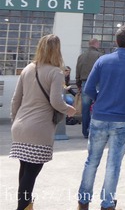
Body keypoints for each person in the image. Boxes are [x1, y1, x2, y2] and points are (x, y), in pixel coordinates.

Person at [77, 25, 125, 210]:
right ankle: (107, 203)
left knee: (92, 160)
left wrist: (100, 100)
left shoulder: (103, 61)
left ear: (116, 42)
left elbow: (88, 89)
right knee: (113, 163)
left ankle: (83, 201)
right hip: (123, 118)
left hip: (100, 115)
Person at [10, 34, 76, 210]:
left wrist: (15, 120)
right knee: (32, 172)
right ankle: (23, 206)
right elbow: (56, 101)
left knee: (24, 169)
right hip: (39, 127)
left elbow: (15, 100)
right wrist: (69, 110)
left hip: (20, 125)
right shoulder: (56, 72)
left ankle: (25, 204)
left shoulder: (27, 68)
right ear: (57, 50)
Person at [75, 38, 102, 138]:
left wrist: (78, 84)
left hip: (84, 82)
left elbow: (77, 71)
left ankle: (85, 132)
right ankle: (94, 130)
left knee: (85, 108)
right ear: (96, 44)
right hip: (97, 83)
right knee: (97, 107)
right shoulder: (99, 56)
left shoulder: (81, 56)